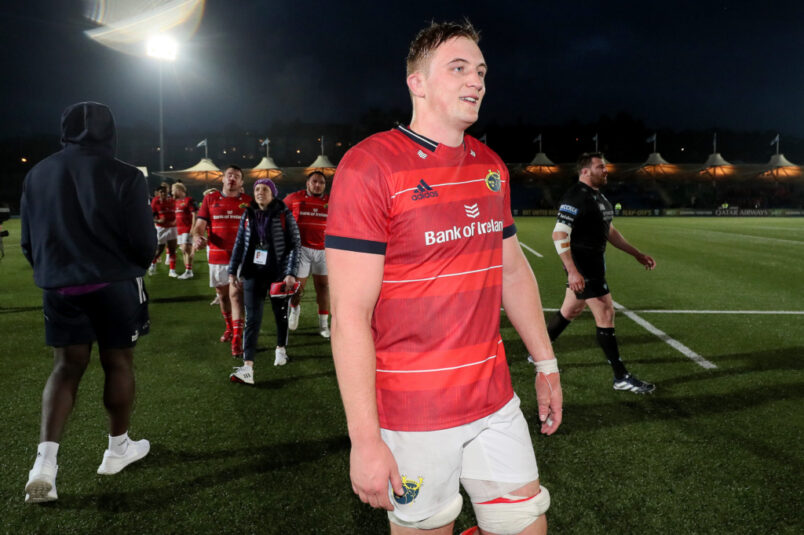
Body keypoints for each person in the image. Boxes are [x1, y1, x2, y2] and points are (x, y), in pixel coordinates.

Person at [325, 21, 562, 535]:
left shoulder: (490, 165)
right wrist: (365, 440)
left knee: (528, 524)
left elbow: (514, 272)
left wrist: (546, 363)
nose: (475, 80)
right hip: (414, 415)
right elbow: (348, 316)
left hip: (494, 401)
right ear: (417, 82)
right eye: (458, 68)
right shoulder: (369, 167)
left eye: (480, 71)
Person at [20, 102, 155, 503]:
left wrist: (56, 271)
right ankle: (117, 449)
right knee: (118, 363)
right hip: (113, 284)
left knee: (65, 367)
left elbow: (29, 240)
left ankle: (44, 463)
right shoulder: (126, 175)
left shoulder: (37, 173)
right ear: (110, 130)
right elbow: (145, 242)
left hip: (61, 286)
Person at [547, 152, 656, 394]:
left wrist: (636, 253)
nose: (606, 170)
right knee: (606, 311)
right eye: (600, 167)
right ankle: (621, 376)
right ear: (585, 171)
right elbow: (559, 234)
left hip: (594, 263)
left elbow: (609, 231)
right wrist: (573, 271)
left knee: (571, 310)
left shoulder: (599, 197)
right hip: (584, 266)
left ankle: (539, 353)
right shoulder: (576, 196)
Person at [228, 178, 301, 384]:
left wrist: (290, 272)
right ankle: (247, 367)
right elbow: (240, 243)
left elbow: (295, 245)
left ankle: (281, 349)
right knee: (252, 319)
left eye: (265, 189)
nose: (260, 192)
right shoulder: (248, 213)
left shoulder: (284, 214)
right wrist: (233, 270)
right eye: (257, 189)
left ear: (273, 193)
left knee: (280, 314)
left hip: (277, 273)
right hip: (253, 272)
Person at [192, 165, 251, 357]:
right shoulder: (210, 199)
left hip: (241, 257)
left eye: (237, 176)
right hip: (217, 256)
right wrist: (197, 237)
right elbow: (200, 225)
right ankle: (229, 328)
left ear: (241, 183)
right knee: (223, 296)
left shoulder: (248, 202)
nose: (232, 178)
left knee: (236, 296)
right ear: (223, 179)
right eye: (229, 175)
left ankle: (237, 337)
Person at [284, 170, 331, 338]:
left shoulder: (331, 201)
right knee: (298, 288)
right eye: (314, 181)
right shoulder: (294, 198)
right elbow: (279, 213)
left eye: (321, 182)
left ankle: (323, 324)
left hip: (324, 250)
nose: (317, 185)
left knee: (324, 288)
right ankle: (295, 310)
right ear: (307, 183)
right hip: (301, 249)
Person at [148, 185, 178, 277]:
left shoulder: (172, 201)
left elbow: (177, 213)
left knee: (172, 249)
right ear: (158, 193)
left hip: (172, 227)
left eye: (165, 191)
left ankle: (172, 271)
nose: (164, 193)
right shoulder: (155, 201)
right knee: (160, 249)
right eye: (161, 192)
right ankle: (153, 264)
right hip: (161, 228)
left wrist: (175, 221)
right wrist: (157, 221)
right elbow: (150, 216)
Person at [172, 182, 197, 279]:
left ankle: (189, 271)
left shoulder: (189, 200)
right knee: (183, 251)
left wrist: (193, 227)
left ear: (179, 190)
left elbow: (194, 214)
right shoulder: (176, 202)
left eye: (173, 190)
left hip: (187, 228)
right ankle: (187, 271)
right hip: (179, 230)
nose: (172, 192)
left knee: (187, 249)